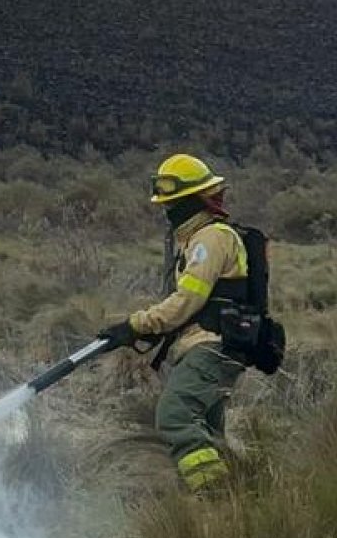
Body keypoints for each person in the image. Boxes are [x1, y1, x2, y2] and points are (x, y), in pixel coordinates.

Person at [97, 154, 250, 494]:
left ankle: (215, 497)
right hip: (213, 343)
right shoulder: (197, 240)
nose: (168, 212)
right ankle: (231, 506)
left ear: (195, 200)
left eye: (174, 204)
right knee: (207, 433)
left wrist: (137, 324)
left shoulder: (210, 240)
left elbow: (186, 302)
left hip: (212, 346)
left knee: (175, 416)